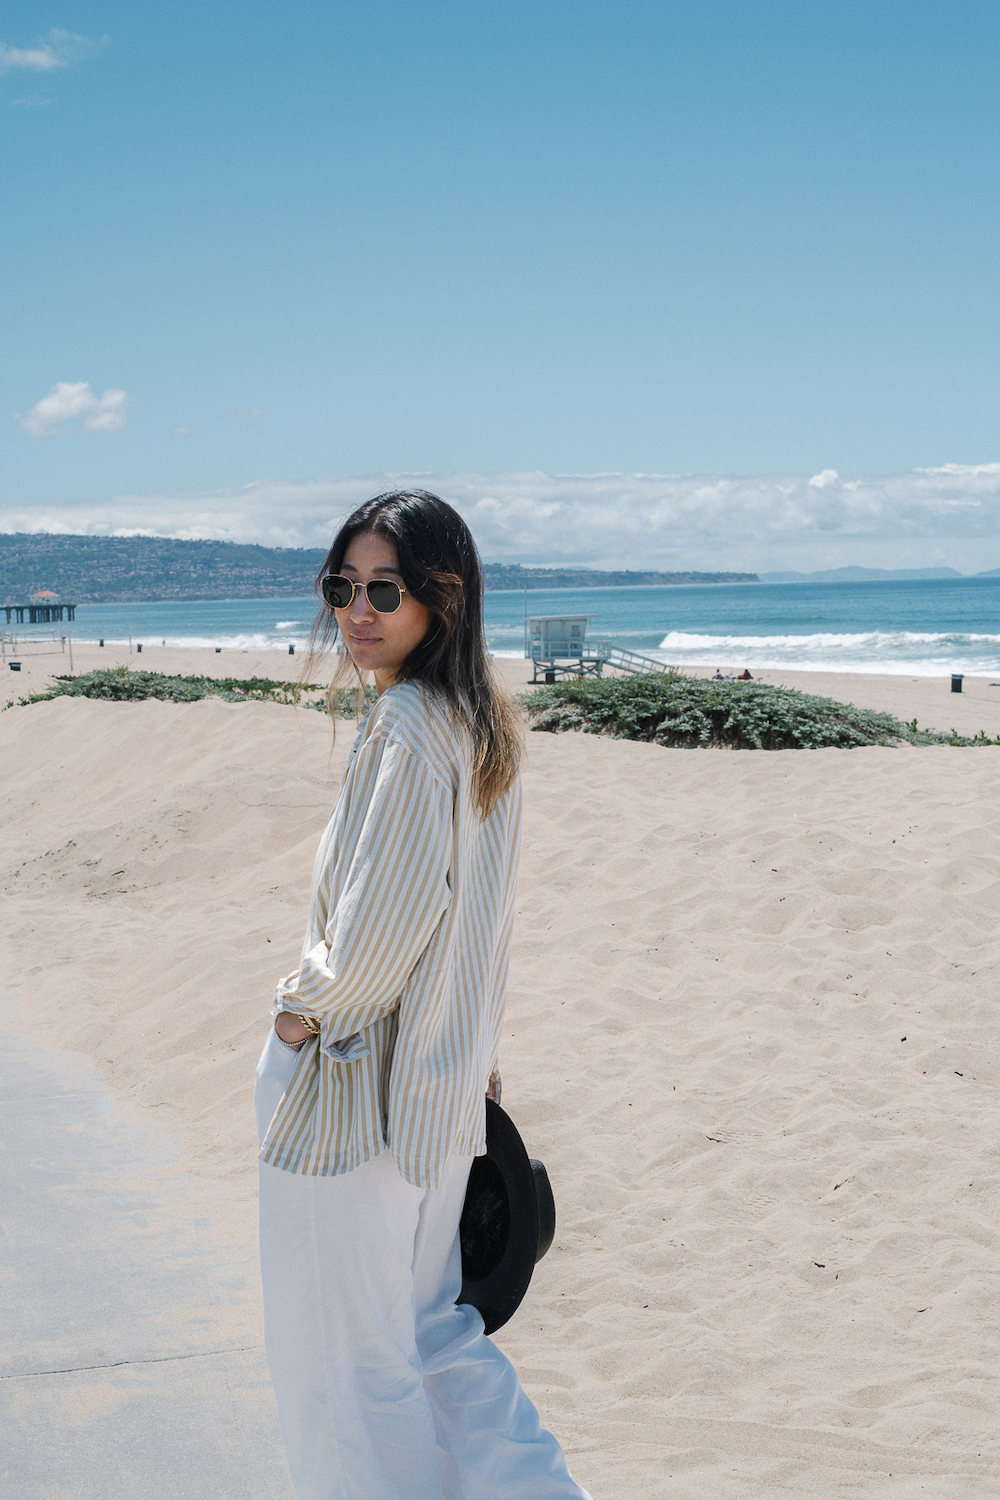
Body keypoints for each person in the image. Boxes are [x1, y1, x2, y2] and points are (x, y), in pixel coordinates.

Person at [254, 490, 593, 1500]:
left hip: (357, 1096)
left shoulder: (407, 725)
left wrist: (296, 1011)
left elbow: (376, 935)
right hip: (440, 1101)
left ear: (440, 599)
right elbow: (479, 931)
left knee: (344, 1371)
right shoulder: (479, 725)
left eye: (384, 590)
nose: (358, 610)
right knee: (431, 1338)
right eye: (343, 586)